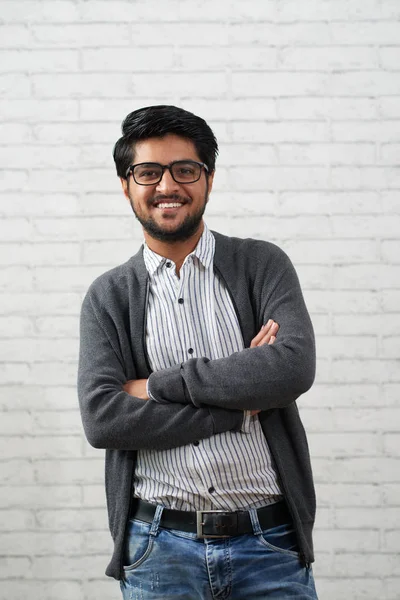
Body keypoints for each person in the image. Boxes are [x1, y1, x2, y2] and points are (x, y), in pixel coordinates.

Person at [78, 105, 318, 599]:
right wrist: (236, 408)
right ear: (126, 185)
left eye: (185, 170)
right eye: (148, 172)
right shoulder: (109, 296)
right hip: (157, 548)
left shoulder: (261, 265)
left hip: (268, 543)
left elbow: (292, 366)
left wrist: (156, 387)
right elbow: (104, 419)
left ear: (208, 179)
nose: (168, 185)